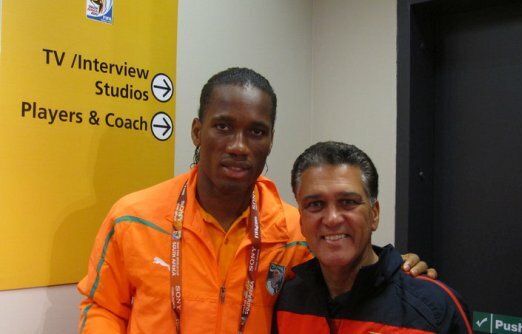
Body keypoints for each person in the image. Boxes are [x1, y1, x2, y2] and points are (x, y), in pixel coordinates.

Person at [77, 68, 434, 334]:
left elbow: (351, 279)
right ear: (197, 132)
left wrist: (398, 272)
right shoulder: (132, 218)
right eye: (223, 126)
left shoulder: (301, 232)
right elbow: (103, 308)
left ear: (271, 140)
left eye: (256, 132)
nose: (238, 146)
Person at [273, 141, 473, 334]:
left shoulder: (435, 307)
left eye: (348, 202)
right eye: (315, 204)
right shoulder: (286, 301)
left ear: (374, 214)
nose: (332, 219)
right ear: (301, 221)